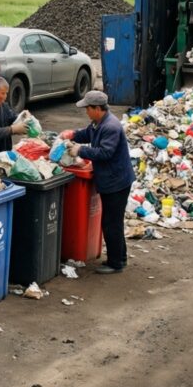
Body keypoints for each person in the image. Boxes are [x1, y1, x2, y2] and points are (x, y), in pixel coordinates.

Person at [59, 90, 135, 274]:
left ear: (97, 109)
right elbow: (88, 133)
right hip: (112, 179)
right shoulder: (98, 123)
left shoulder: (111, 127)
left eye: (88, 108)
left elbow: (104, 152)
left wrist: (80, 151)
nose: (86, 112)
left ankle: (116, 263)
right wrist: (73, 135)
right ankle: (120, 257)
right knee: (113, 221)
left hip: (116, 182)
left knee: (111, 223)